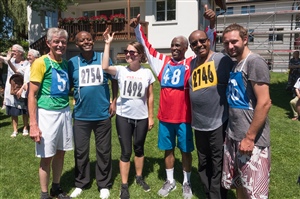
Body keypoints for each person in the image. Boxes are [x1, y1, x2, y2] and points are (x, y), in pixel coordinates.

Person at [129, 6, 215, 198]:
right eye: (173, 45)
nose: (175, 48)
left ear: (186, 48)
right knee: (168, 150)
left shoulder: (192, 62)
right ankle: (170, 181)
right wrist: (137, 29)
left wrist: (211, 23)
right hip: (166, 118)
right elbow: (148, 48)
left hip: (184, 118)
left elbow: (207, 45)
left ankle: (186, 183)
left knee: (185, 151)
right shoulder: (162, 62)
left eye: (179, 45)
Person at [102, 29, 155, 199]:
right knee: (126, 151)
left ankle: (139, 177)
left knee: (139, 148)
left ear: (140, 55)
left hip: (141, 117)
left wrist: (151, 117)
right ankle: (124, 186)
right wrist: (107, 43)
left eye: (132, 52)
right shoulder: (120, 70)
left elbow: (150, 96)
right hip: (124, 116)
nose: (129, 55)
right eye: (127, 52)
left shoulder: (147, 73)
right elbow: (104, 67)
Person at [221, 23, 272, 199]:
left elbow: (265, 103)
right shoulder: (237, 64)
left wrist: (250, 138)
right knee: (240, 185)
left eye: (234, 41)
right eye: (226, 43)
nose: (230, 46)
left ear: (245, 39)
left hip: (252, 141)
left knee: (254, 192)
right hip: (234, 136)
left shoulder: (255, 62)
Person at [68, 31, 118, 199]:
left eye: (89, 39)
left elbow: (115, 79)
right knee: (81, 151)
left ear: (93, 40)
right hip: (81, 115)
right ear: (77, 45)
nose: (86, 42)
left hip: (102, 114)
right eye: (82, 40)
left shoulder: (103, 58)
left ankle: (104, 184)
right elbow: (67, 85)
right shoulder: (72, 63)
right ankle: (81, 182)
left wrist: (114, 101)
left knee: (103, 151)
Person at [188, 20, 234, 199]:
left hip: (217, 122)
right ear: (191, 47)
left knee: (218, 161)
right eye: (194, 43)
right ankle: (208, 191)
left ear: (209, 41)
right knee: (203, 160)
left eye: (202, 41)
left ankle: (217, 195)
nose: (199, 45)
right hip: (198, 124)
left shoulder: (221, 59)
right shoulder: (192, 64)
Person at [28, 27, 73, 199]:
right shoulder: (40, 62)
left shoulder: (65, 63)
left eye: (63, 42)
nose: (60, 45)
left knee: (61, 152)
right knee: (47, 156)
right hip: (47, 114)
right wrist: (33, 124)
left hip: (64, 112)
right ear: (48, 43)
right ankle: (44, 194)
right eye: (56, 41)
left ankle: (56, 187)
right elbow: (31, 95)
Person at [0, 45, 30, 137]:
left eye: (15, 51)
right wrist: (6, 57)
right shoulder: (11, 60)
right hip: (11, 90)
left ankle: (25, 128)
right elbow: (3, 58)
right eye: (12, 51)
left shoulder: (26, 63)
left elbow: (17, 71)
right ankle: (15, 130)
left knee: (24, 110)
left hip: (21, 89)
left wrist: (8, 60)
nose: (13, 53)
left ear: (21, 53)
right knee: (13, 111)